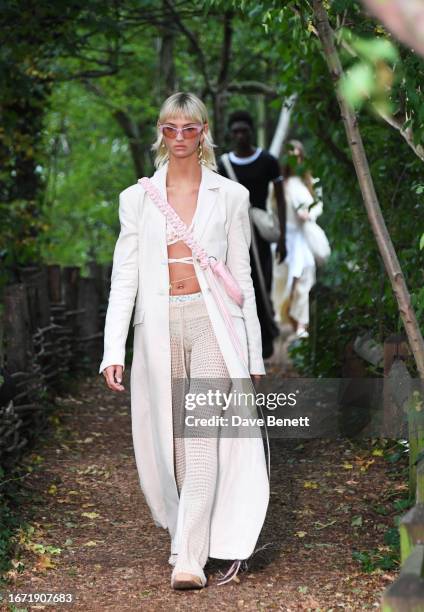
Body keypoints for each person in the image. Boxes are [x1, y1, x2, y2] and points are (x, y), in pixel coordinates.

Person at [99, 92, 270, 590]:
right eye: (170, 128)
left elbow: (243, 282)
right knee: (171, 441)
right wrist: (114, 349)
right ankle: (186, 535)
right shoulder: (137, 199)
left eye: (188, 129)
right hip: (157, 327)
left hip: (213, 322)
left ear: (204, 132)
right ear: (160, 132)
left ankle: (190, 559)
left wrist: (254, 353)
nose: (179, 138)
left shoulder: (231, 197)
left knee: (200, 436)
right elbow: (124, 277)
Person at [217, 111, 287, 359]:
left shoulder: (267, 161)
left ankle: (265, 338)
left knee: (261, 283)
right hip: (232, 234)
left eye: (244, 130)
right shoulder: (223, 164)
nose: (240, 135)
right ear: (230, 134)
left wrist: (282, 239)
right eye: (235, 131)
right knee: (235, 286)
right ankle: (241, 341)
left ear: (250, 131)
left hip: (258, 235)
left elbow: (280, 200)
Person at [273, 139, 323, 338]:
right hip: (286, 236)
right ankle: (287, 318)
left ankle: (302, 324)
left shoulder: (311, 182)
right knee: (285, 279)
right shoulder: (278, 183)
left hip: (304, 235)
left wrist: (310, 215)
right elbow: (272, 208)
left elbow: (319, 205)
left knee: (305, 274)